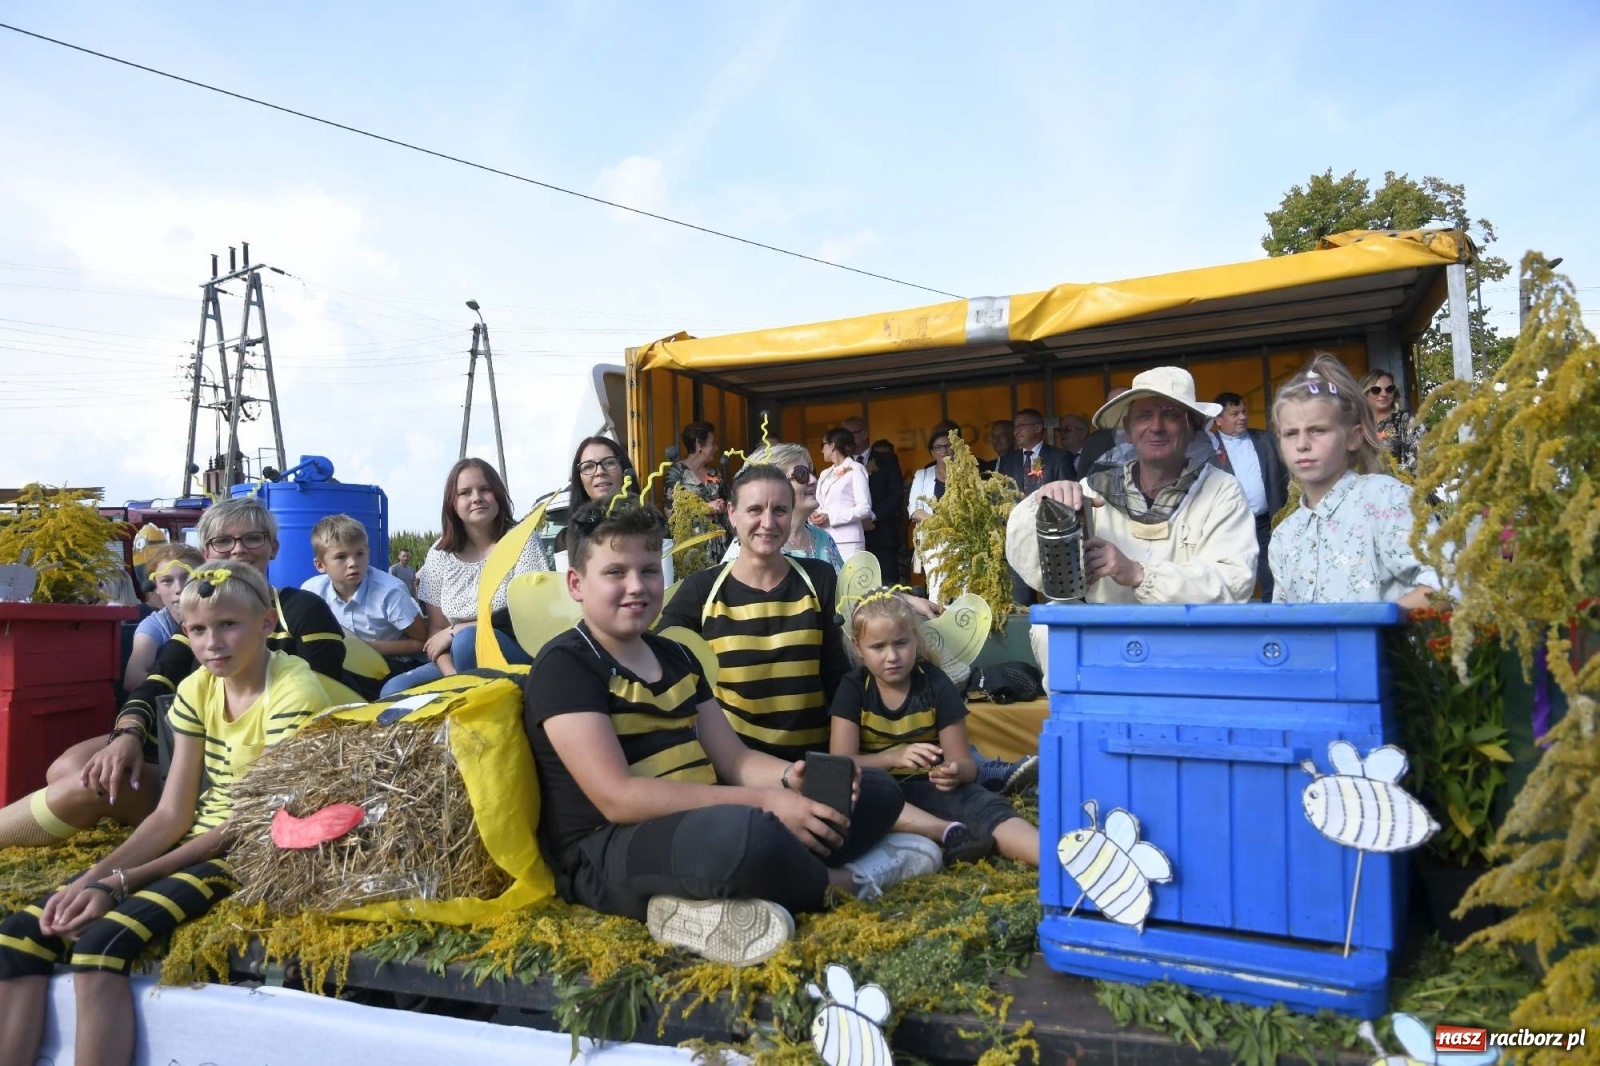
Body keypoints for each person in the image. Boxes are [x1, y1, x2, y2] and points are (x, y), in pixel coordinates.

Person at [522, 500, 940, 967]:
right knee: (746, 838)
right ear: (577, 584)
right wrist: (765, 804)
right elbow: (618, 797)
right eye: (615, 573)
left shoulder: (674, 655)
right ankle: (850, 881)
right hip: (608, 850)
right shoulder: (567, 664)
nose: (637, 587)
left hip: (703, 819)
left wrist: (791, 781)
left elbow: (735, 761)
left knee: (871, 789)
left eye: (648, 570)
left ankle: (699, 904)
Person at [0, 560, 348, 1066]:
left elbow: (252, 824)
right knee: (19, 935)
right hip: (199, 840)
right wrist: (91, 880)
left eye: (228, 625)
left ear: (266, 624)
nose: (213, 643)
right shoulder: (195, 689)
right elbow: (171, 813)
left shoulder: (294, 690)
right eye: (199, 630)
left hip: (251, 853)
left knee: (100, 943)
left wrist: (121, 883)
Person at [0, 498, 351, 849]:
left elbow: (322, 693)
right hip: (189, 745)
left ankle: (142, 824)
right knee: (70, 765)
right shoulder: (200, 621)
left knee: (87, 781)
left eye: (252, 539)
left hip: (254, 754)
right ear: (207, 551)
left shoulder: (301, 608)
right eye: (223, 541)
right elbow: (159, 678)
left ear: (273, 547)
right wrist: (128, 734)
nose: (238, 550)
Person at [1006, 367, 1258, 607]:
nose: (1156, 427)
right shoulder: (1092, 491)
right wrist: (1045, 504)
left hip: (1188, 644)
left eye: (1170, 415)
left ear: (1192, 427)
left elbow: (1233, 584)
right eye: (1144, 416)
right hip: (1108, 643)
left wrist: (1138, 573)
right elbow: (1038, 573)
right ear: (1127, 429)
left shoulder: (1223, 491)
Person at [829, 593, 1040, 867]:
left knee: (985, 805)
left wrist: (954, 773)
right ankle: (949, 832)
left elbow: (964, 763)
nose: (892, 656)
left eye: (901, 643)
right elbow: (841, 766)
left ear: (915, 639)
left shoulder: (935, 683)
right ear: (858, 648)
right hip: (877, 791)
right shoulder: (853, 687)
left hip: (932, 787)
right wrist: (894, 757)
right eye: (878, 647)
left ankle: (1060, 863)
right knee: (855, 800)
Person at [1272, 356, 1440, 607]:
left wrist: (1371, 626)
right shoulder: (1284, 534)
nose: (1302, 444)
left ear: (1353, 437)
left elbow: (1445, 582)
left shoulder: (1387, 499)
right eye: (1290, 433)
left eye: (1318, 430)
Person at [382, 459, 553, 696]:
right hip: (455, 659)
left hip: (514, 650)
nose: (476, 497)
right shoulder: (439, 554)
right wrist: (452, 676)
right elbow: (437, 631)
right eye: (465, 492)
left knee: (467, 640)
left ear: (498, 494)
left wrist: (458, 630)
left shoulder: (522, 540)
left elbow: (531, 616)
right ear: (453, 503)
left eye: (485, 489)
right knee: (394, 688)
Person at [301, 514, 427, 672]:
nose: (353, 563)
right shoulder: (311, 593)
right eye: (341, 557)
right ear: (320, 565)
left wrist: (369, 648)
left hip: (395, 665)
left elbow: (423, 641)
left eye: (359, 554)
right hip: (343, 665)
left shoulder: (390, 592)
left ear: (368, 553)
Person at [1208, 392, 1290, 600]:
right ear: (1218, 420)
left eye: (1244, 412)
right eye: (1234, 414)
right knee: (1232, 581)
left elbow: (1286, 475)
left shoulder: (1266, 439)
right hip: (1230, 527)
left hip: (1266, 524)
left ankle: (1273, 624)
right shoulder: (1208, 448)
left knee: (1272, 576)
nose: (1242, 417)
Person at [721, 443, 843, 572]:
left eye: (812, 472)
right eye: (802, 474)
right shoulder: (749, 546)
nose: (813, 480)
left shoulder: (823, 538)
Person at [998, 408, 1075, 604]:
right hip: (1019, 540)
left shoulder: (1059, 457)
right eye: (1015, 427)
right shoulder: (1008, 461)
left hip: (1051, 540)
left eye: (1021, 426)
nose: (1016, 431)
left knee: (1058, 601)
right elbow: (1001, 497)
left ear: (1038, 428)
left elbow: (1068, 500)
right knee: (1020, 601)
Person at [123, 543, 204, 691]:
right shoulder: (155, 626)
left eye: (188, 577)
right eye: (167, 581)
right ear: (156, 588)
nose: (179, 589)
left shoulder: (224, 615)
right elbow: (133, 678)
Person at [842, 416, 904, 583]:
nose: (845, 440)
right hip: (850, 538)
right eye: (843, 435)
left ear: (864, 434)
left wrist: (872, 516)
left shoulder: (886, 459)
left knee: (888, 589)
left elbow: (896, 494)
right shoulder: (839, 466)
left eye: (850, 434)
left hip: (881, 535)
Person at [555, 436, 636, 554]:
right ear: (579, 479)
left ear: (624, 470)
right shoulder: (567, 539)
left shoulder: (651, 525)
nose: (600, 472)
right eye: (588, 466)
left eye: (609, 462)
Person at [907, 424, 956, 600]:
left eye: (948, 445)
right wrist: (941, 523)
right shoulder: (923, 475)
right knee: (937, 590)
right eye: (938, 447)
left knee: (964, 590)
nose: (944, 450)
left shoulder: (967, 473)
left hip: (961, 539)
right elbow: (914, 510)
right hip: (933, 541)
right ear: (932, 452)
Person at [812, 427, 874, 561]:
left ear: (832, 446)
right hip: (824, 538)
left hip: (848, 541)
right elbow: (819, 502)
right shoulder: (824, 473)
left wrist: (831, 517)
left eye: (823, 445)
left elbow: (864, 509)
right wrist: (814, 514)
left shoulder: (856, 469)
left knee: (849, 580)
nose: (822, 450)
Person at [1360, 368, 1423, 474]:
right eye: (1376, 390)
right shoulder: (1356, 424)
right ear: (1365, 393)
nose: (1384, 394)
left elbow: (1422, 458)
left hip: (1401, 486)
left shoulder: (1406, 420)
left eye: (1389, 389)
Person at [664, 421, 726, 518]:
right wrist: (706, 508)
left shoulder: (714, 472)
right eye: (712, 443)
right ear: (699, 445)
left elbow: (729, 501)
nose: (716, 448)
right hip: (691, 533)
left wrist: (723, 506)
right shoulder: (676, 473)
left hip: (721, 532)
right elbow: (671, 511)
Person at [1076, 386, 1130, 478]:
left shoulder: (1149, 434)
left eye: (1123, 403)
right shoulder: (1094, 441)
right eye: (1113, 405)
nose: (1118, 409)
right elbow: (1083, 478)